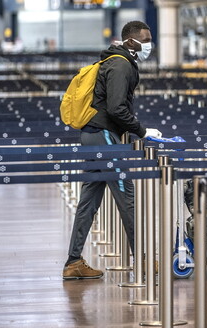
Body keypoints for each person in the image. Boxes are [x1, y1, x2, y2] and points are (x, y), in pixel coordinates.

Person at [63, 20, 163, 280]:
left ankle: (73, 262)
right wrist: (142, 131)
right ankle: (142, 260)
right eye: (146, 39)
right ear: (131, 41)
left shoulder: (113, 61)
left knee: (88, 201)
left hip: (92, 136)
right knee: (126, 197)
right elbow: (118, 108)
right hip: (105, 138)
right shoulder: (121, 65)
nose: (149, 45)